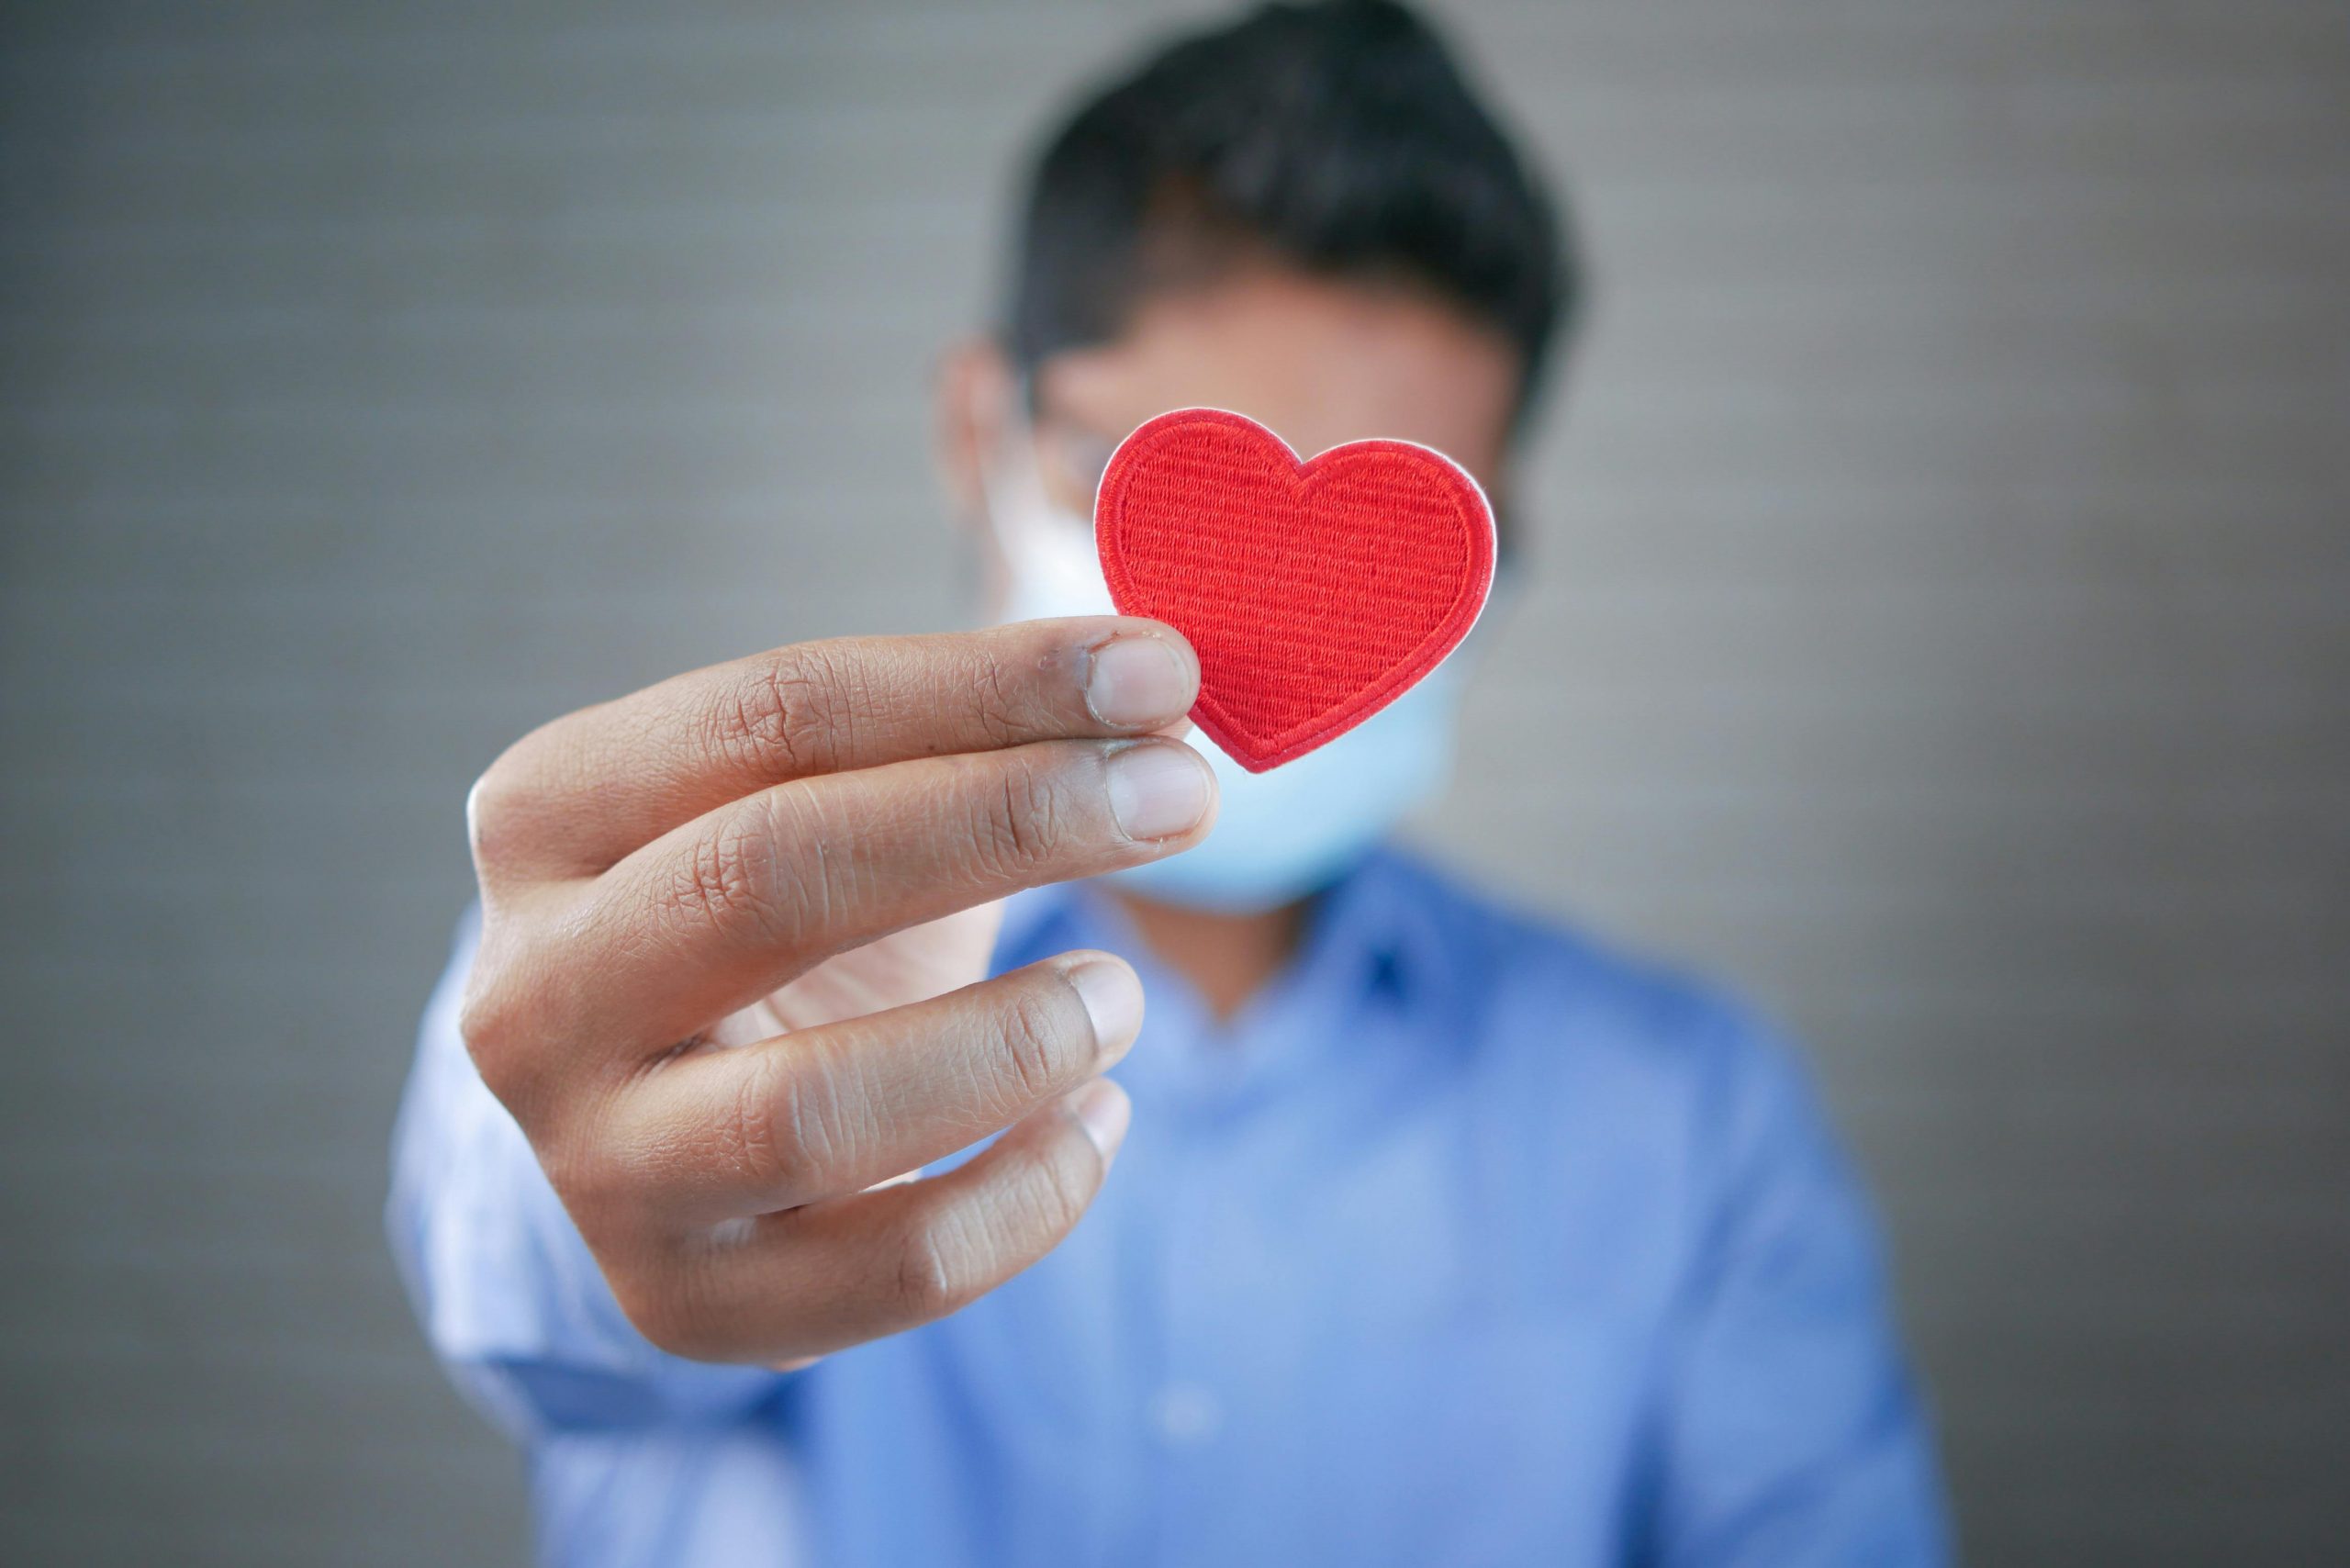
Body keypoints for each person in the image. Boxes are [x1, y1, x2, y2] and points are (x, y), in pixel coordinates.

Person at [388, 3, 1952, 1562]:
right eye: (1161, 470)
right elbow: (528, 1275)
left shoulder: (1686, 1120)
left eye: (1395, 528)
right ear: (974, 431)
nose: (1252, 617)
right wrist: (630, 1159)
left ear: (1495, 557)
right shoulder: (710, 957)